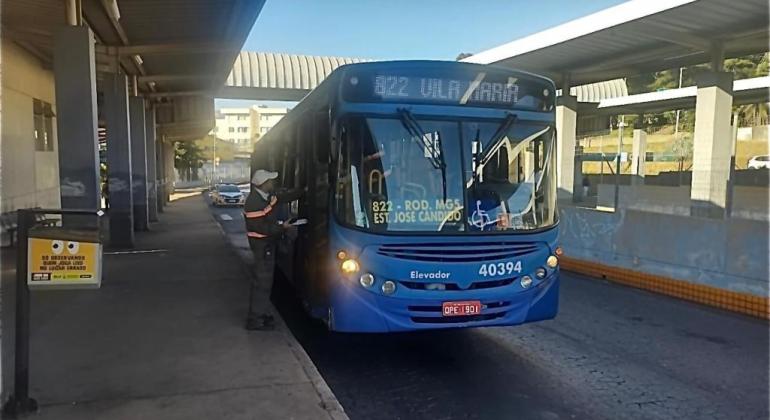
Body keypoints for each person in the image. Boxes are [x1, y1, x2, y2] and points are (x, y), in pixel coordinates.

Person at [243, 169, 304, 330]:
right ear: (263, 184)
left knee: (266, 282)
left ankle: (261, 314)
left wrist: (303, 191)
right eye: (270, 180)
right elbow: (262, 228)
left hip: (266, 245)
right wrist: (282, 227)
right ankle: (255, 320)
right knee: (261, 283)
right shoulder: (253, 203)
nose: (273, 183)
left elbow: (282, 198)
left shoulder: (265, 197)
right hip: (262, 246)